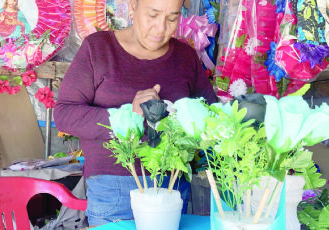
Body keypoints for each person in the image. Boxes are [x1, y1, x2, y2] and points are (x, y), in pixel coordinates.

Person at [54, 0, 216, 226]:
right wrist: (127, 116)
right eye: (152, 15)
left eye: (172, 19)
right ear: (132, 8)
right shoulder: (98, 49)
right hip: (113, 188)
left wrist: (181, 116)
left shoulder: (186, 56)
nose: (161, 28)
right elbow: (64, 114)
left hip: (172, 187)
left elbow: (211, 117)